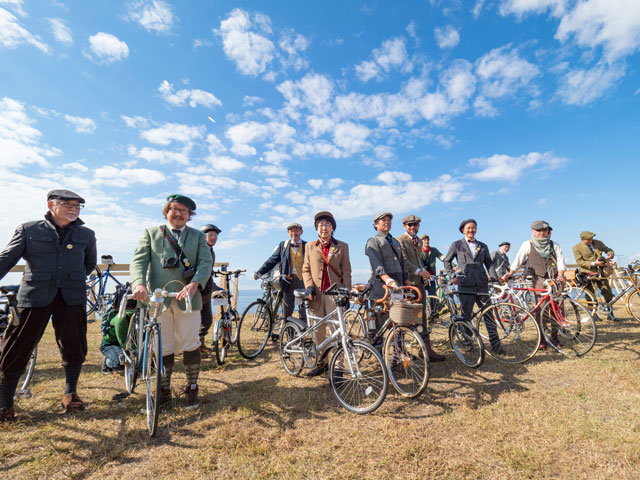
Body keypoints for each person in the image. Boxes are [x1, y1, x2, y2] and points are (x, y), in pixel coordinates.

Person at [0, 189, 97, 422]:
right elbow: (6, 258)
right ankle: (5, 404)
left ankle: (70, 393)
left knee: (74, 346)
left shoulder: (87, 234)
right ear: (51, 205)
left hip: (71, 297)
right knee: (16, 348)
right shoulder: (29, 230)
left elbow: (89, 264)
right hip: (34, 296)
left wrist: (70, 279)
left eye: (77, 206)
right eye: (68, 205)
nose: (74, 209)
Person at [130, 194, 212, 409]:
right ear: (166, 211)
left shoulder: (197, 236)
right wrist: (139, 284)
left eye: (183, 211)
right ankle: (163, 389)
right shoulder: (151, 233)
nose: (178, 214)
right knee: (163, 345)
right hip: (159, 299)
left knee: (190, 343)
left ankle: (192, 387)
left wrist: (195, 284)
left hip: (189, 298)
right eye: (174, 209)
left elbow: (205, 263)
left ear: (189, 215)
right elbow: (138, 261)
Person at [301, 211, 352, 376]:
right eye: (320, 225)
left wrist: (346, 295)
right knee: (318, 332)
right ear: (316, 228)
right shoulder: (309, 246)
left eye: (327, 225)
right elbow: (306, 268)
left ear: (333, 227)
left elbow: (346, 272)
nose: (324, 228)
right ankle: (322, 363)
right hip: (316, 295)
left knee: (337, 330)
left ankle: (338, 368)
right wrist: (308, 286)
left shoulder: (342, 246)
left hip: (335, 295)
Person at [501, 221, 566, 348]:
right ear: (533, 231)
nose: (541, 233)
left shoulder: (554, 245)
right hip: (539, 279)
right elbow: (518, 260)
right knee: (541, 309)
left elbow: (561, 261)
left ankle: (555, 337)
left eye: (544, 230)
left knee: (557, 308)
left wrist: (561, 274)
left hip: (554, 278)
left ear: (548, 231)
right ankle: (542, 339)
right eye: (538, 230)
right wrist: (510, 273)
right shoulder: (527, 244)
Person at [443, 219, 502, 353]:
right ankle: (467, 343)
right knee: (466, 315)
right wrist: (453, 276)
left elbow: (489, 264)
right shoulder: (457, 245)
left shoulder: (483, 246)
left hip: (482, 284)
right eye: (468, 228)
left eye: (473, 228)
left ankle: (496, 345)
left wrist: (494, 280)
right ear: (463, 230)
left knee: (488, 315)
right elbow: (447, 261)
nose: (471, 230)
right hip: (465, 285)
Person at [396, 215, 445, 362]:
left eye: (415, 225)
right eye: (410, 225)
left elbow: (418, 262)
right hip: (406, 285)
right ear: (404, 226)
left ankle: (425, 350)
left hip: (418, 284)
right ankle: (401, 352)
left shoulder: (417, 241)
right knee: (402, 319)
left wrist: (422, 275)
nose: (413, 227)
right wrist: (419, 272)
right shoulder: (400, 241)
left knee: (421, 318)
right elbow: (403, 261)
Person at [254, 222, 307, 325]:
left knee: (304, 311)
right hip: (288, 281)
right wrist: (259, 272)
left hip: (303, 282)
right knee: (287, 311)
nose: (294, 233)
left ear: (301, 232)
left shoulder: (307, 245)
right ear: (288, 233)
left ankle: (302, 336)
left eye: (296, 230)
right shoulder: (283, 245)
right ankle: (288, 337)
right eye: (291, 231)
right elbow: (272, 260)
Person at [365, 212, 408, 335]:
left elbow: (402, 264)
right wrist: (388, 280)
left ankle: (398, 351)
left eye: (389, 220)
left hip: (397, 286)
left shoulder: (395, 242)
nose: (387, 222)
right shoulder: (373, 241)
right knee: (380, 318)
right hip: (381, 286)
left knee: (398, 317)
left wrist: (407, 282)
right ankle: (378, 350)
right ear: (376, 224)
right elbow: (376, 265)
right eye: (383, 220)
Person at [573, 231, 615, 309]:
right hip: (587, 273)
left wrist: (610, 253)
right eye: (588, 239)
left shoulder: (598, 243)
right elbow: (579, 262)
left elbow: (607, 249)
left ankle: (610, 313)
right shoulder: (576, 248)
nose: (590, 240)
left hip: (601, 272)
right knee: (590, 294)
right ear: (582, 239)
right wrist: (594, 263)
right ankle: (593, 313)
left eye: (591, 238)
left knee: (607, 292)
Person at [198, 224, 222, 356]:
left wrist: (215, 287)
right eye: (210, 235)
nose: (213, 238)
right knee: (197, 320)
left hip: (206, 289)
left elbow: (208, 271)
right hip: (198, 290)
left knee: (206, 319)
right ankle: (195, 348)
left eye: (215, 235)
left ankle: (200, 344)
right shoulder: (200, 250)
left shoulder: (211, 251)